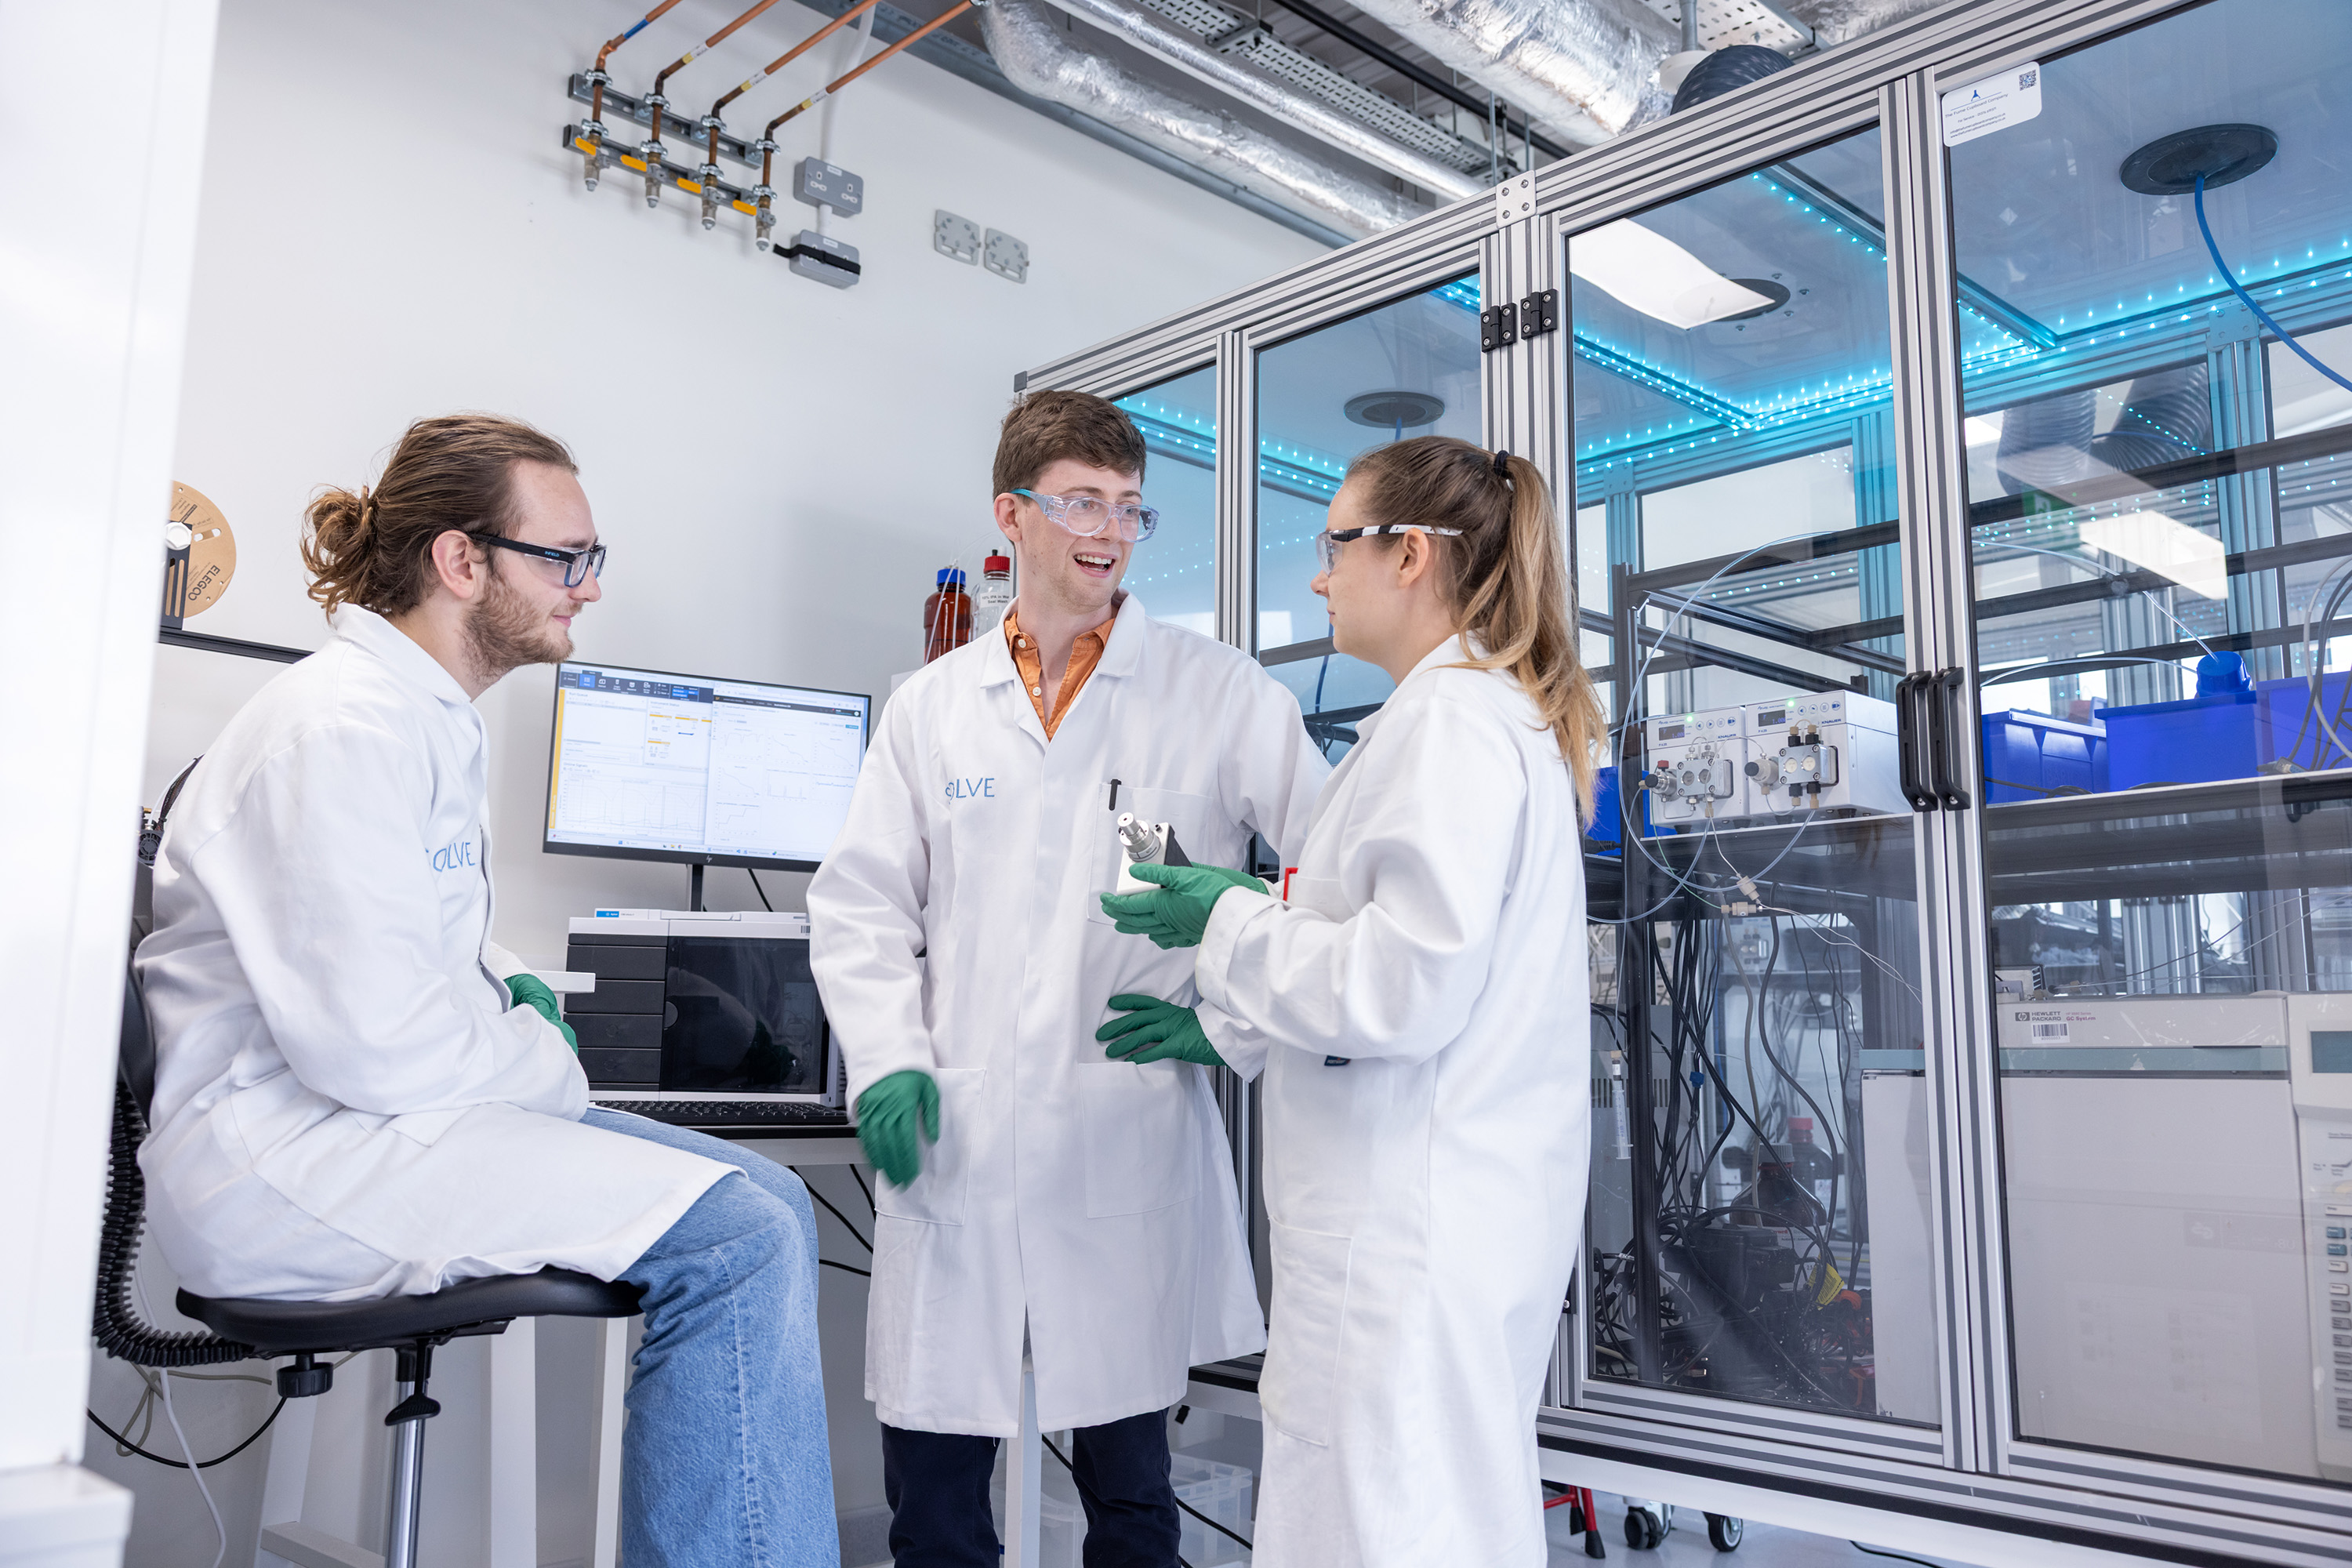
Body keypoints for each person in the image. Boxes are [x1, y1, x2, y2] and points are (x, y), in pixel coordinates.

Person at [134, 415, 838, 1568]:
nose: (589, 587)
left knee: (772, 1193)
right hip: (293, 1161)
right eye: (566, 558)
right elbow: (377, 1048)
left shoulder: (417, 718)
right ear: (461, 561)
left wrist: (514, 989)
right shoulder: (341, 729)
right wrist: (547, 1055)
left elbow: (426, 951)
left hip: (365, 1126)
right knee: (741, 1237)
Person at [808, 390, 1327, 1567]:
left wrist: (1227, 1025)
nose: (1111, 532)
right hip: (960, 1135)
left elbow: (1334, 874)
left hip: (1120, 1132)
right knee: (935, 1503)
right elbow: (861, 902)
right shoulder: (932, 707)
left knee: (1133, 1501)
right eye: (1083, 503)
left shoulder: (1218, 692)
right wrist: (887, 1060)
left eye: (1130, 509)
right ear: (1013, 516)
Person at [1098, 437, 1600, 1567]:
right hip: (1432, 1224)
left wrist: (1225, 925)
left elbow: (1399, 988)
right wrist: (1242, 964)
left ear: (1410, 554)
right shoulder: (1467, 716)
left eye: (1335, 546)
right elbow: (1382, 939)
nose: (1320, 576)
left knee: (1387, 1527)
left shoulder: (1450, 723)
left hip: (1401, 1241)